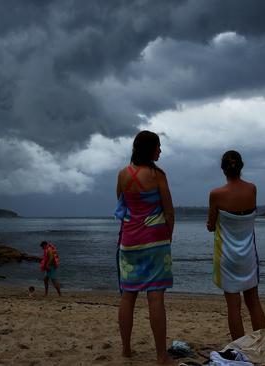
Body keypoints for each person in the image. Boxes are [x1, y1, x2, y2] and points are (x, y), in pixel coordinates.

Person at [115, 130, 174, 365]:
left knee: (128, 295)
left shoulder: (122, 175)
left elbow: (121, 204)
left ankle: (126, 350)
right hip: (155, 241)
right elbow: (169, 210)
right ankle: (161, 356)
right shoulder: (158, 175)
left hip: (129, 242)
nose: (160, 151)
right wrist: (168, 236)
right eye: (158, 147)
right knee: (156, 297)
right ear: (149, 150)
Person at [206, 150, 265, 341]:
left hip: (227, 257)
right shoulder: (252, 189)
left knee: (233, 307)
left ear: (223, 169)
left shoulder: (216, 194)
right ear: (241, 167)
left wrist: (212, 224)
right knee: (254, 302)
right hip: (249, 255)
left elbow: (211, 225)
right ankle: (262, 347)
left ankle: (240, 350)